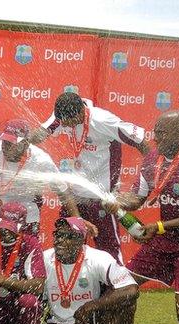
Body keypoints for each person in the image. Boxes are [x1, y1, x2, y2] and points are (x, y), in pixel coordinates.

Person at [103, 110, 179, 324]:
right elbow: (137, 199)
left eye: (161, 132)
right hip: (163, 241)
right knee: (123, 288)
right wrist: (115, 199)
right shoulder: (152, 160)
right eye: (155, 132)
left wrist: (158, 226)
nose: (155, 138)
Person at [32, 92, 149, 262]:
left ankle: (117, 286)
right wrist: (23, 141)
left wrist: (151, 172)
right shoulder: (62, 115)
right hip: (75, 197)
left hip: (101, 199)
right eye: (61, 121)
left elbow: (141, 142)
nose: (63, 125)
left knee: (109, 251)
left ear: (80, 113)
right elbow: (41, 133)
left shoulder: (103, 121)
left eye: (67, 122)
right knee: (66, 245)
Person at [39, 217, 138, 324]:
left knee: (122, 299)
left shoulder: (97, 258)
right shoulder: (44, 258)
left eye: (69, 236)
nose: (60, 240)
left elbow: (132, 289)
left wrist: (92, 306)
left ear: (80, 240)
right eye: (58, 235)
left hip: (94, 321)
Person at [0, 119, 80, 236]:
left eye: (12, 143)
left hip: (27, 218)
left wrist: (78, 220)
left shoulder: (41, 161)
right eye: (5, 141)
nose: (6, 147)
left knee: (25, 252)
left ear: (26, 143)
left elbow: (63, 191)